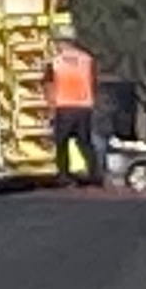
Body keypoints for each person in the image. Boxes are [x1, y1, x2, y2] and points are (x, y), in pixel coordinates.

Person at [48, 36, 103, 186]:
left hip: (64, 105)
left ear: (63, 44)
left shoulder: (56, 61)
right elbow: (94, 81)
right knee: (84, 142)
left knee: (61, 143)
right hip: (84, 106)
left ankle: (63, 175)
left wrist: (50, 106)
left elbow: (49, 83)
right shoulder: (86, 59)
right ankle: (95, 174)